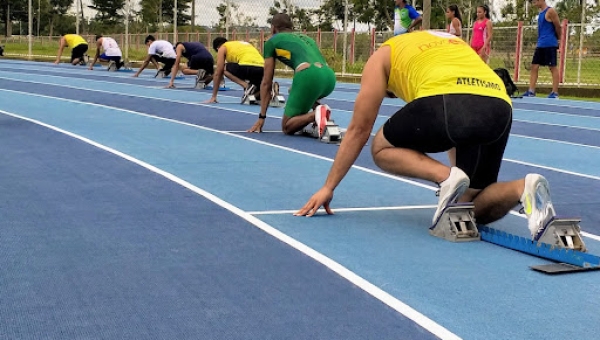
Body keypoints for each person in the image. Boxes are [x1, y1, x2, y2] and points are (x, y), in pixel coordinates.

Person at [295, 30, 557, 242]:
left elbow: (358, 129)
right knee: (467, 205)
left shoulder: (381, 55)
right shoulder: (446, 41)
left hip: (447, 98)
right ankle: (524, 187)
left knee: (380, 148)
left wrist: (329, 187)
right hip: (499, 104)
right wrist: (459, 182)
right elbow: (460, 125)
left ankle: (446, 179)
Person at [247, 13, 336, 137]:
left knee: (287, 127)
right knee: (294, 90)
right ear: (291, 28)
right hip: (329, 77)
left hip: (309, 76)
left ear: (273, 28)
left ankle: (316, 114)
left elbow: (267, 82)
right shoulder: (307, 39)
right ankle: (319, 114)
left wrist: (262, 117)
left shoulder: (271, 41)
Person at [203, 38, 264, 104]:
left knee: (223, 68)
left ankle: (246, 86)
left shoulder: (222, 48)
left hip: (247, 66)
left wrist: (213, 96)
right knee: (251, 98)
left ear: (217, 48)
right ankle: (269, 91)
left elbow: (218, 72)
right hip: (263, 68)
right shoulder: (242, 44)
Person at [523, 0, 561, 99]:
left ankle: (555, 92)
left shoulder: (550, 11)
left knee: (552, 67)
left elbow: (558, 26)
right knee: (534, 66)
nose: (534, 2)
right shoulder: (540, 14)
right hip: (541, 44)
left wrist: (559, 40)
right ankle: (531, 91)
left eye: (535, 1)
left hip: (549, 43)